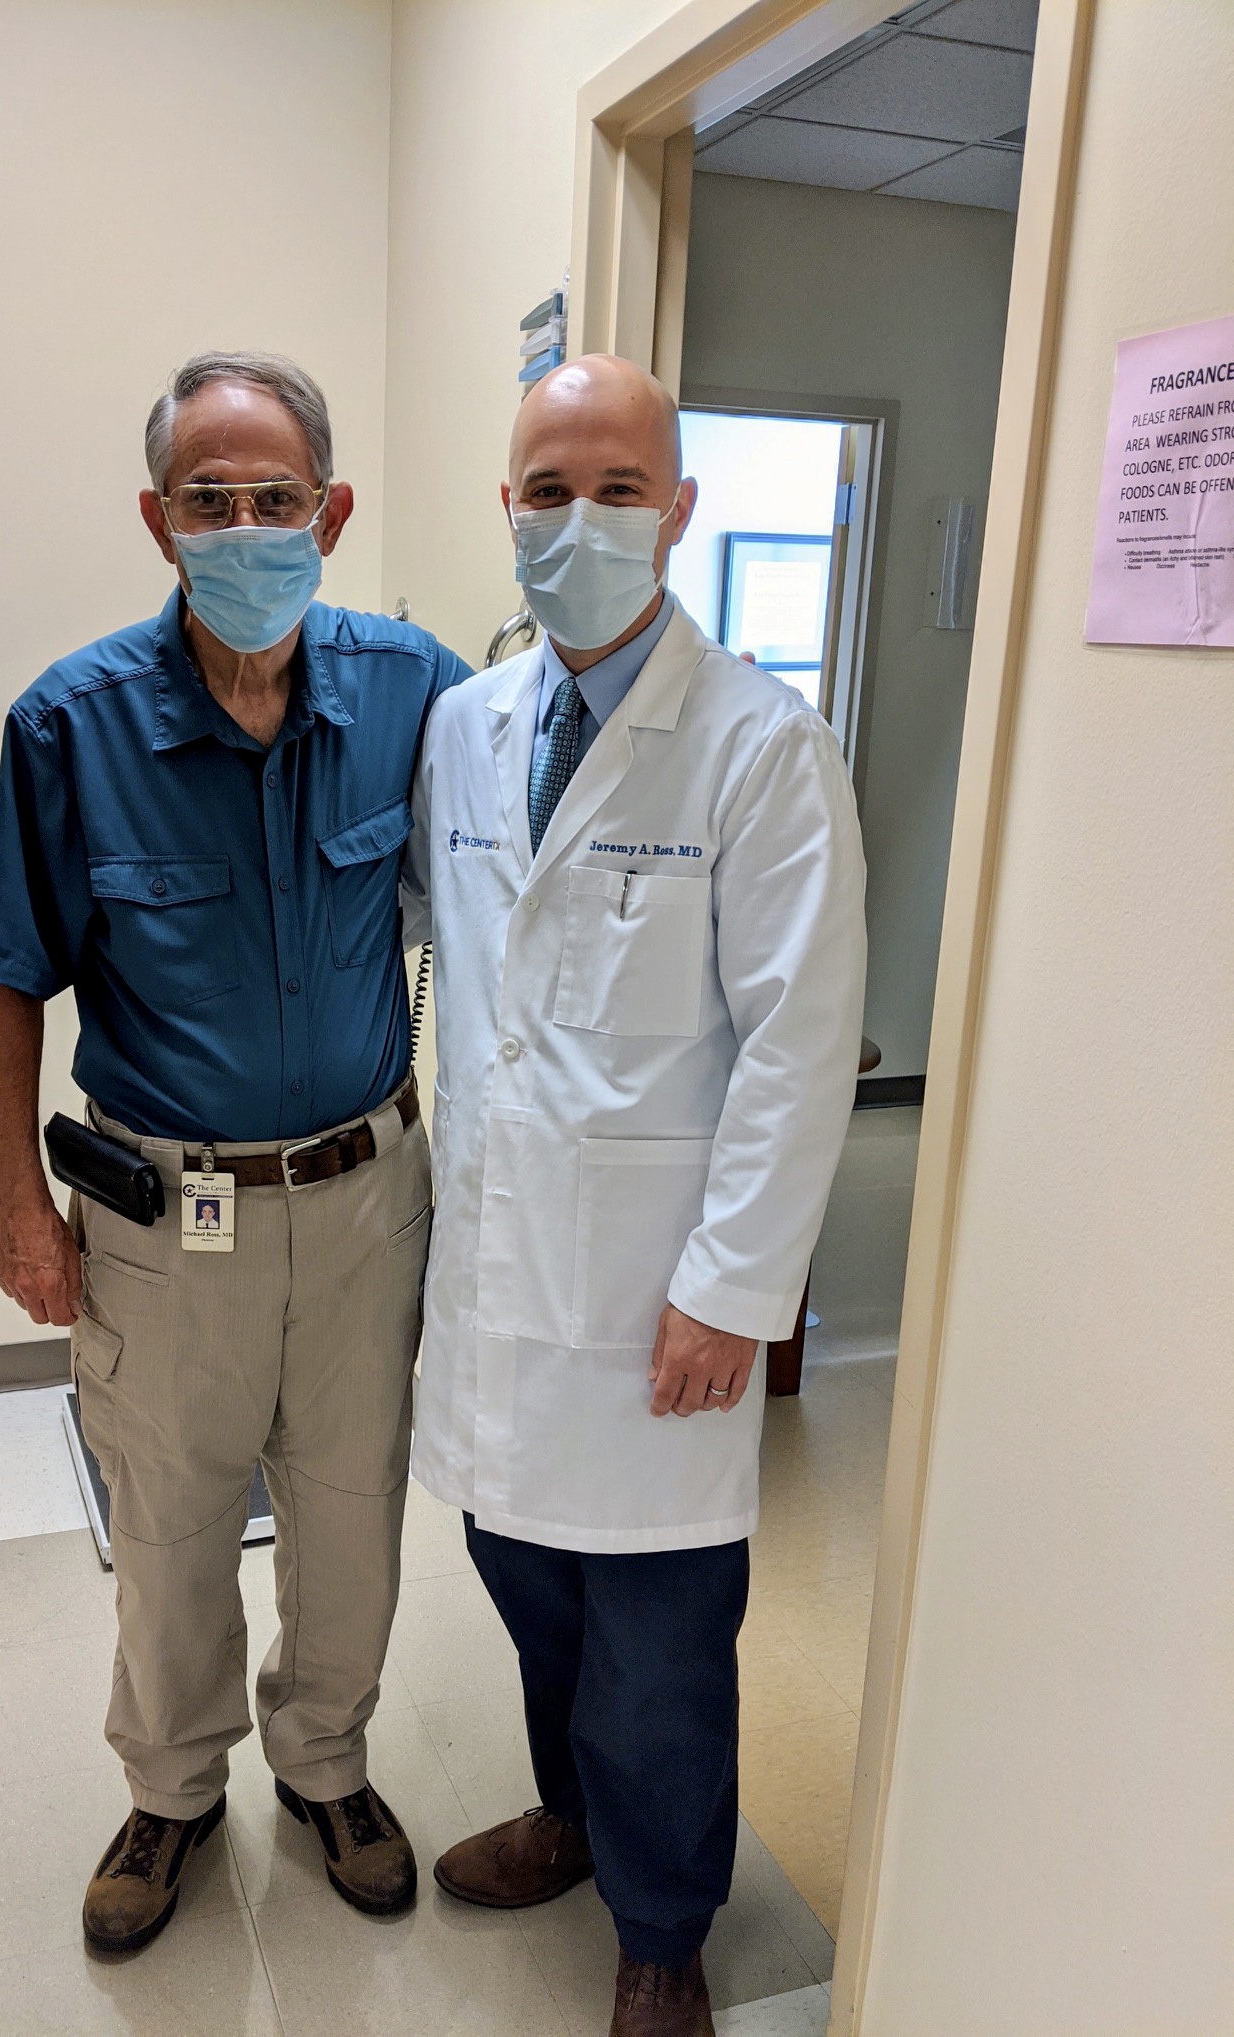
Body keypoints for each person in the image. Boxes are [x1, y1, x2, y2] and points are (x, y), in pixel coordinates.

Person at [0, 351, 468, 1955]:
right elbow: (7, 977)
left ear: (335, 508)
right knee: (172, 1517)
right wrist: (17, 1207)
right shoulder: (70, 722)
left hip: (369, 1195)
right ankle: (173, 1787)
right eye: (209, 501)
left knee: (350, 1505)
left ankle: (326, 1761)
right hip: (165, 1221)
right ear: (156, 520)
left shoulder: (415, 689)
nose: (246, 526)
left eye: (275, 499)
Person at [403, 355, 866, 2037]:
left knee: (662, 1646)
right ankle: (577, 1822)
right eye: (547, 486)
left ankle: (666, 1925)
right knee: (532, 1592)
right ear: (505, 508)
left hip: (662, 1297)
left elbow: (802, 1049)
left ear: (680, 511)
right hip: (503, 1285)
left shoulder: (760, 747)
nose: (578, 518)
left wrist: (735, 1288)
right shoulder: (465, 725)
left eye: (617, 487)